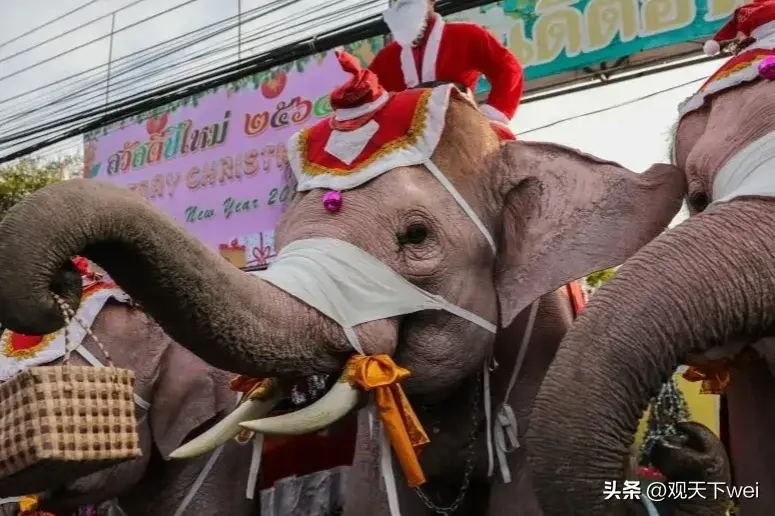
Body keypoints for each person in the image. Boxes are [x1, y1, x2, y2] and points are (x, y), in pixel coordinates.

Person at [368, 0, 524, 140]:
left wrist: (491, 115)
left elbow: (509, 69)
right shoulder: (386, 57)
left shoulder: (467, 35)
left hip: (463, 129)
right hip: (409, 142)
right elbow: (368, 97)